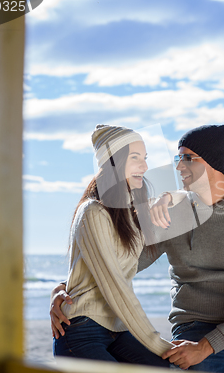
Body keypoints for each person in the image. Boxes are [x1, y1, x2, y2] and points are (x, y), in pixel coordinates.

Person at [51, 125, 224, 373]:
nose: (178, 166)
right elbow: (121, 263)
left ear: (212, 163)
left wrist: (207, 347)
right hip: (193, 329)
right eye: (178, 157)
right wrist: (65, 287)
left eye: (187, 158)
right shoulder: (174, 215)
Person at [51, 124, 174, 367]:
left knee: (164, 367)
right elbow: (116, 286)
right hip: (81, 328)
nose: (145, 167)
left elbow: (199, 202)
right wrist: (158, 343)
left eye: (145, 158)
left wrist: (169, 197)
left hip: (117, 328)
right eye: (135, 158)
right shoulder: (92, 212)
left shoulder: (132, 213)